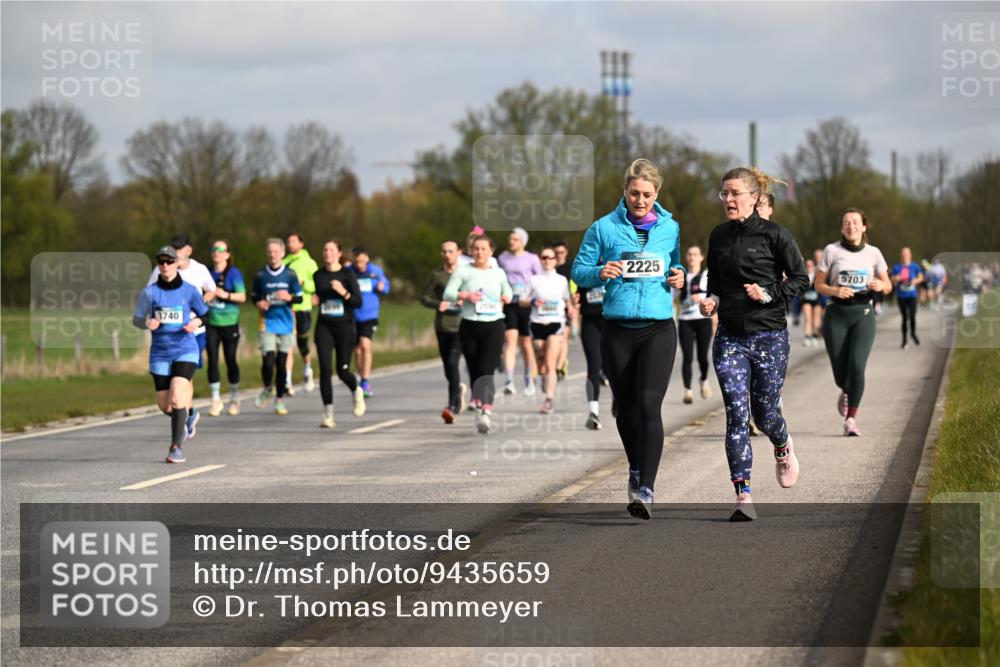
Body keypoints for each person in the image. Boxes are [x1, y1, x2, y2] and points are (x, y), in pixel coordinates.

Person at [572, 158, 686, 521]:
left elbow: (676, 263)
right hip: (617, 329)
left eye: (647, 195)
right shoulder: (603, 228)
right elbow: (577, 271)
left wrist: (679, 275)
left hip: (658, 328)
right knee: (625, 408)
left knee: (650, 404)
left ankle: (645, 489)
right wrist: (598, 272)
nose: (640, 200)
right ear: (624, 191)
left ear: (657, 194)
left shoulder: (670, 227)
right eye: (635, 193)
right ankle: (635, 466)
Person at [700, 167, 809, 522]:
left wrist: (769, 293)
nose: (728, 200)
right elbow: (714, 280)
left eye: (734, 194)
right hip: (730, 337)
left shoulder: (777, 235)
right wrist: (711, 300)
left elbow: (801, 279)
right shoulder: (718, 236)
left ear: (753, 197)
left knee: (765, 415)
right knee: (736, 413)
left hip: (769, 337)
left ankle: (782, 444)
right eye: (724, 194)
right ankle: (743, 494)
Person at [815, 208, 892, 437]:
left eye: (856, 222)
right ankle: (846, 390)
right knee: (841, 373)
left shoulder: (873, 253)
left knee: (857, 365)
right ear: (842, 228)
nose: (851, 226)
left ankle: (851, 420)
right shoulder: (831, 251)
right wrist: (835, 290)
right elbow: (819, 284)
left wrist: (881, 286)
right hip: (836, 315)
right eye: (847, 223)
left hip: (863, 314)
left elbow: (888, 285)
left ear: (864, 226)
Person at [133, 245, 209, 463]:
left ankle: (176, 447)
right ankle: (189, 414)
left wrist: (196, 322)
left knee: (177, 395)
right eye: (161, 262)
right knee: (165, 405)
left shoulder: (189, 290)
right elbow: (137, 318)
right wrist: (147, 322)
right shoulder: (150, 293)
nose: (165, 266)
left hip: (185, 348)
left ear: (177, 263)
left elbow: (206, 314)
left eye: (169, 262)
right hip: (160, 352)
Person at [147, 233, 216, 439]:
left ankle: (184, 412)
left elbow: (211, 290)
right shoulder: (160, 270)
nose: (176, 251)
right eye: (173, 247)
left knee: (184, 378)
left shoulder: (199, 269)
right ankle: (188, 412)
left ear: (188, 250)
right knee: (170, 393)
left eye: (180, 248)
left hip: (194, 330)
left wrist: (196, 309)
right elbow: (149, 296)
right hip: (167, 335)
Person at [442, 235, 513, 434]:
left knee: (486, 370)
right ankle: (479, 402)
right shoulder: (463, 271)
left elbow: (508, 292)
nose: (479, 252)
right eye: (476, 249)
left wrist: (506, 297)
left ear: (491, 251)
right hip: (470, 325)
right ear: (471, 251)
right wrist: (465, 295)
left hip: (494, 325)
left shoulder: (498, 273)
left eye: (483, 249)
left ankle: (486, 412)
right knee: (474, 370)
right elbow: (448, 293)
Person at [312, 240, 366, 428]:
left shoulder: (347, 274)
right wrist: (315, 299)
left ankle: (356, 390)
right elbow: (318, 295)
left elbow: (358, 302)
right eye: (325, 249)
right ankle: (328, 415)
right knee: (325, 370)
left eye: (332, 250)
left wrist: (343, 292)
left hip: (345, 326)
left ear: (339, 253)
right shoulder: (318, 275)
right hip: (324, 326)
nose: (328, 253)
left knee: (342, 371)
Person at [251, 238, 304, 415]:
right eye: (269, 252)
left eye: (275, 251)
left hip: (287, 324)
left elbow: (300, 297)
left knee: (281, 364)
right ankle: (268, 388)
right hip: (267, 323)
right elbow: (254, 297)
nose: (272, 255)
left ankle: (280, 399)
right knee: (268, 361)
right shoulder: (260, 275)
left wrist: (289, 297)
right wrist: (259, 303)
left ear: (282, 253)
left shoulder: (290, 274)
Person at [524, 246, 576, 414]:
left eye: (549, 257)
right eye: (543, 257)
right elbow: (522, 300)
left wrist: (571, 310)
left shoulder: (561, 280)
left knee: (550, 363)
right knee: (540, 362)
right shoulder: (534, 280)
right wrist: (533, 302)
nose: (546, 260)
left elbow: (567, 300)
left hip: (556, 322)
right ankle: (544, 379)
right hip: (537, 323)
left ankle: (549, 399)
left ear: (555, 260)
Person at [421, 240, 468, 424]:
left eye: (451, 251)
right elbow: (424, 297)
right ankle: (458, 390)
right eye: (445, 252)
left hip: (461, 325)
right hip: (442, 326)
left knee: (453, 362)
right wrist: (437, 304)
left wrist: (467, 300)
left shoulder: (466, 274)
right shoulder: (437, 275)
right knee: (448, 369)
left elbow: (479, 292)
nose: (448, 255)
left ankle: (452, 406)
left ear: (459, 252)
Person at [498, 227, 541, 396]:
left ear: (523, 241)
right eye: (510, 239)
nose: (511, 242)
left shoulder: (532, 259)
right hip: (510, 303)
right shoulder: (502, 258)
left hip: (527, 304)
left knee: (525, 343)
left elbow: (539, 280)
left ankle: (529, 378)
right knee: (510, 340)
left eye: (515, 239)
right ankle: (509, 380)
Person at [205, 239, 246, 417]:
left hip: (230, 322)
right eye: (214, 249)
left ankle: (235, 397)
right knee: (212, 360)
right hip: (211, 323)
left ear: (228, 254)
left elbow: (242, 297)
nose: (217, 252)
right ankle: (215, 399)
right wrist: (207, 296)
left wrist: (224, 294)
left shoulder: (234, 273)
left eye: (221, 249)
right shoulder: (206, 272)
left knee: (230, 360)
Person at [674, 245, 714, 404]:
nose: (692, 257)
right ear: (686, 257)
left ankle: (703, 380)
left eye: (695, 254)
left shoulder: (706, 276)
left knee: (702, 356)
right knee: (687, 357)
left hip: (703, 320)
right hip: (685, 321)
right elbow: (673, 299)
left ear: (701, 257)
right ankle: (688, 391)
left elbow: (714, 296)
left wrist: (703, 300)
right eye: (690, 254)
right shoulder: (680, 277)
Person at [350, 247, 390, 397]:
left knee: (365, 345)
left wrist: (382, 287)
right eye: (356, 261)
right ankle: (361, 378)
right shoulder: (350, 271)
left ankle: (365, 381)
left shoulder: (376, 271)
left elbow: (386, 286)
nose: (359, 264)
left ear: (367, 258)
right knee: (357, 350)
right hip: (353, 315)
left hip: (370, 314)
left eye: (362, 261)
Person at [284, 232, 319, 396]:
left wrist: (305, 284)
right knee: (288, 345)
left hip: (303, 307)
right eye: (288, 242)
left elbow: (317, 284)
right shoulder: (284, 262)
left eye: (293, 241)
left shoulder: (309, 262)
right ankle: (287, 381)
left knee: (303, 345)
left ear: (301, 244)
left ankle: (307, 371)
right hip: (287, 309)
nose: (290, 244)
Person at [891, 247, 925, 349]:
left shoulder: (915, 266)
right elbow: (892, 279)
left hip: (912, 295)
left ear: (910, 255)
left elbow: (921, 277)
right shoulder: (897, 267)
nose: (905, 255)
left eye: (907, 253)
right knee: (904, 318)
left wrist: (915, 281)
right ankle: (904, 340)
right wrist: (896, 278)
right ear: (901, 255)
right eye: (903, 253)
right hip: (901, 296)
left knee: (913, 316)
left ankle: (913, 333)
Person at [552, 240, 574, 380]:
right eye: (556, 252)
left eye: (561, 252)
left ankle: (559, 367)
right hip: (551, 307)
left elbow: (575, 286)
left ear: (566, 252)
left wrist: (572, 304)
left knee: (564, 337)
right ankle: (558, 361)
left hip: (566, 305)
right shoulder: (550, 267)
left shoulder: (571, 267)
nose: (559, 255)